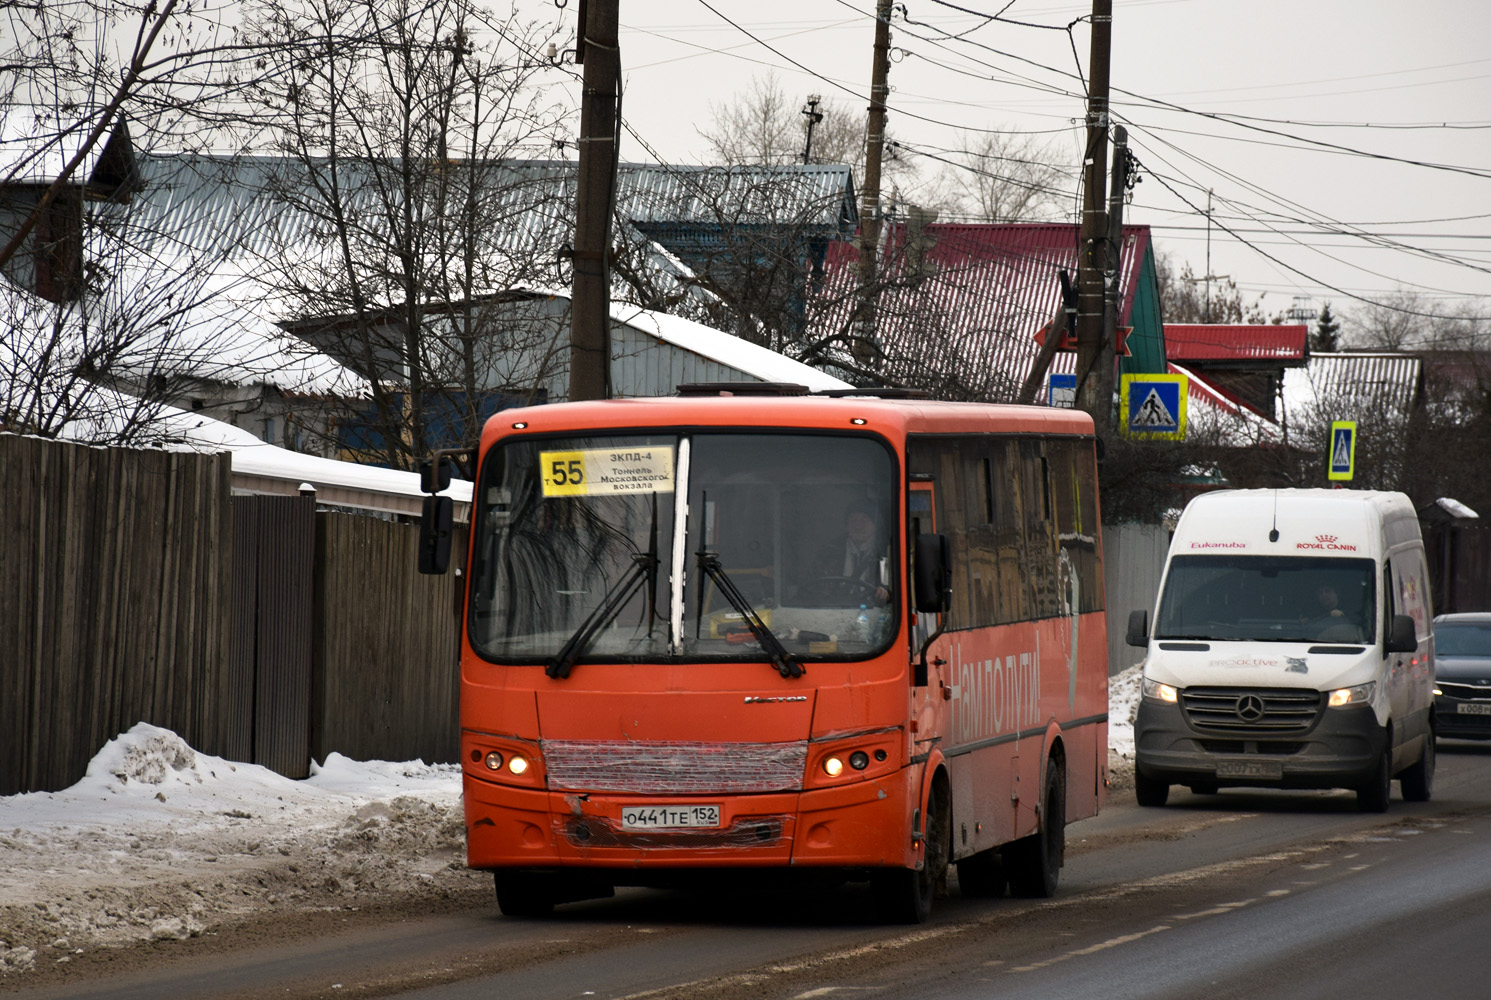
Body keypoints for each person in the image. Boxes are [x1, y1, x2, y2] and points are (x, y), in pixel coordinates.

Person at [812, 498, 891, 605]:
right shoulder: (827, 554)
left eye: (864, 520)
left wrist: (887, 595)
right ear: (846, 525)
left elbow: (901, 593)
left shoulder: (887, 552)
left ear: (875, 524)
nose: (858, 526)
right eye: (853, 520)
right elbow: (814, 590)